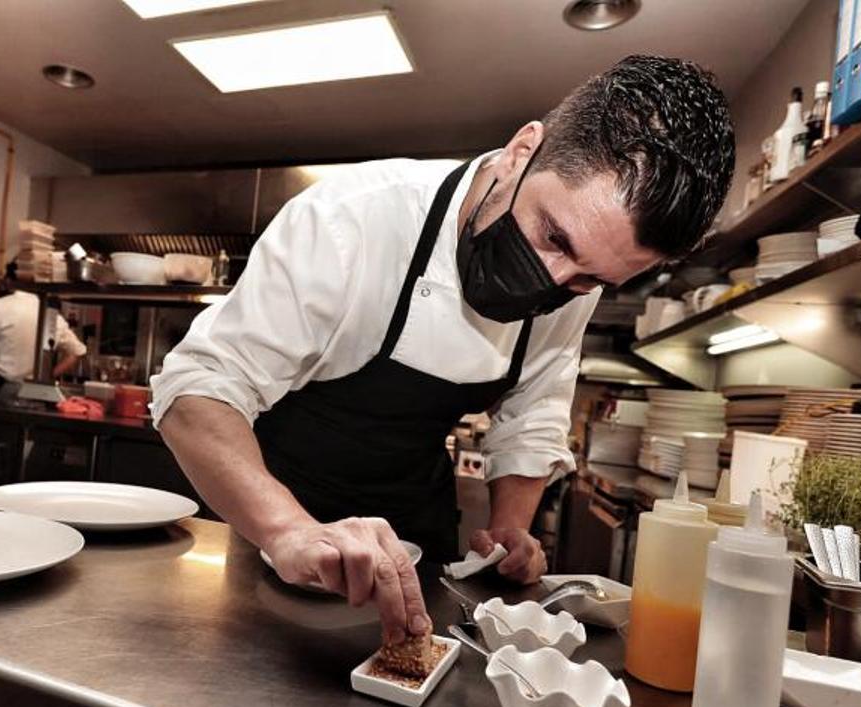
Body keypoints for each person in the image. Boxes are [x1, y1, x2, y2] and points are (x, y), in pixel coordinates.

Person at [151, 56, 736, 646]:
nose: (555, 281)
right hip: (273, 511)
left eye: (591, 279)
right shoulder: (352, 219)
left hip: (414, 523)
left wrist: (508, 533)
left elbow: (533, 416)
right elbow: (199, 386)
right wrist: (288, 530)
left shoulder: (578, 279)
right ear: (521, 153)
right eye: (553, 237)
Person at [0, 275, 87, 402]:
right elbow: (77, 352)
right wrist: (49, 376)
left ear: (10, 281)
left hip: (1, 389)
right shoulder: (53, 316)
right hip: (38, 392)